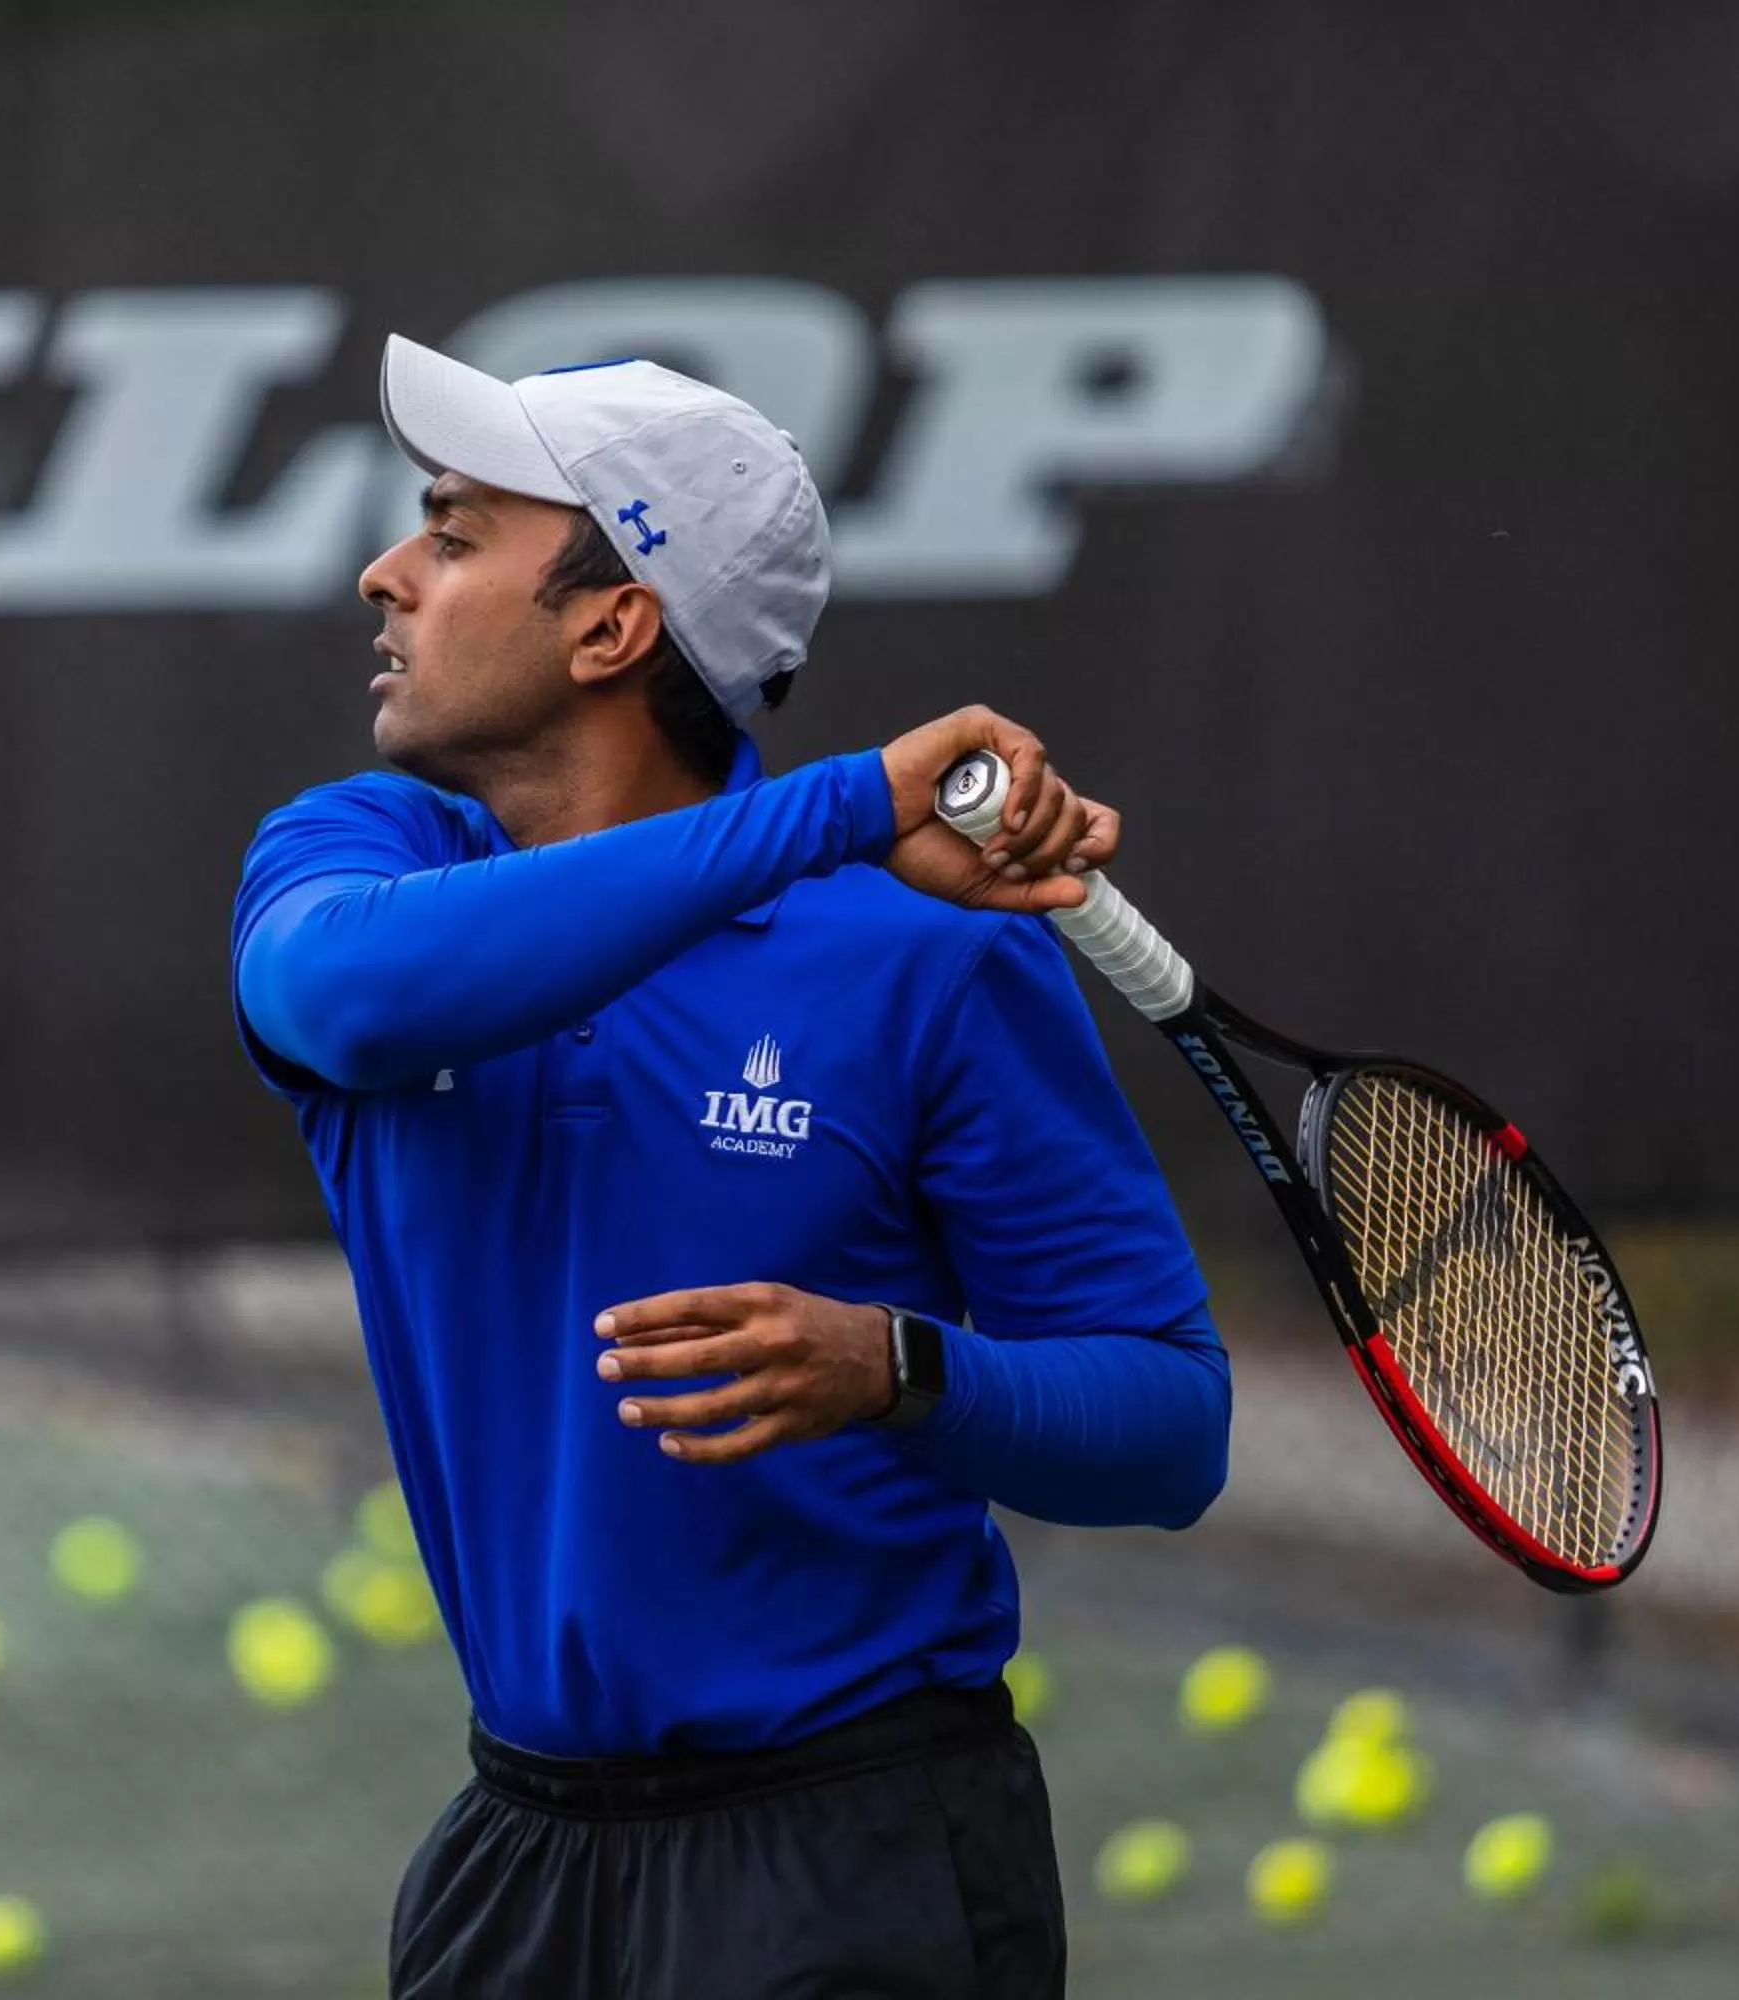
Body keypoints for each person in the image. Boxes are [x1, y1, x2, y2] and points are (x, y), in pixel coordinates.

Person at [231, 338, 1230, 1997]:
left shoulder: (930, 954)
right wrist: (846, 808)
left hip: (861, 1854)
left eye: (455, 536)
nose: (384, 573)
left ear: (613, 629)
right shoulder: (354, 858)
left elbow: (1172, 1426)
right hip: (517, 1862)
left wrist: (899, 1369)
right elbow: (343, 998)